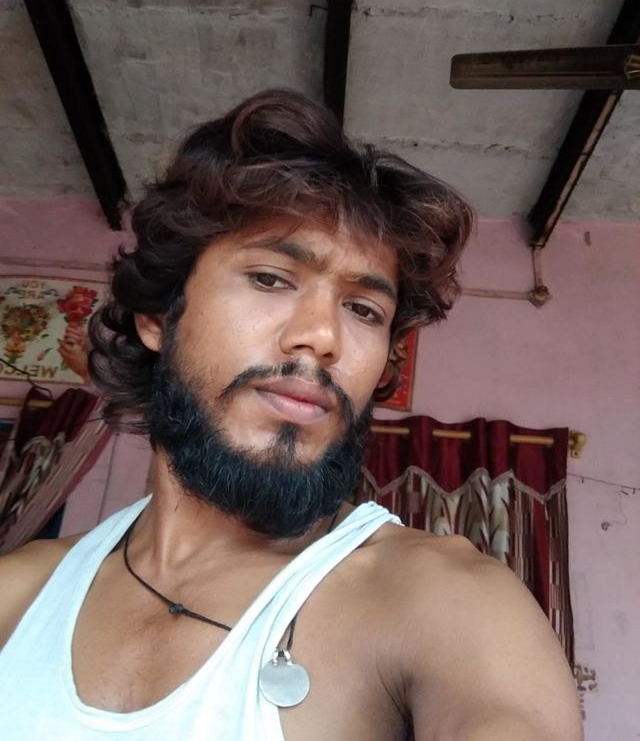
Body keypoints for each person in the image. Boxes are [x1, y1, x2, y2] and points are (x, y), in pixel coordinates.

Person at [0, 90, 582, 740]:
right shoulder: (19, 596)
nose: (323, 337)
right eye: (271, 279)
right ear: (158, 318)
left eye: (364, 310)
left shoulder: (444, 600)